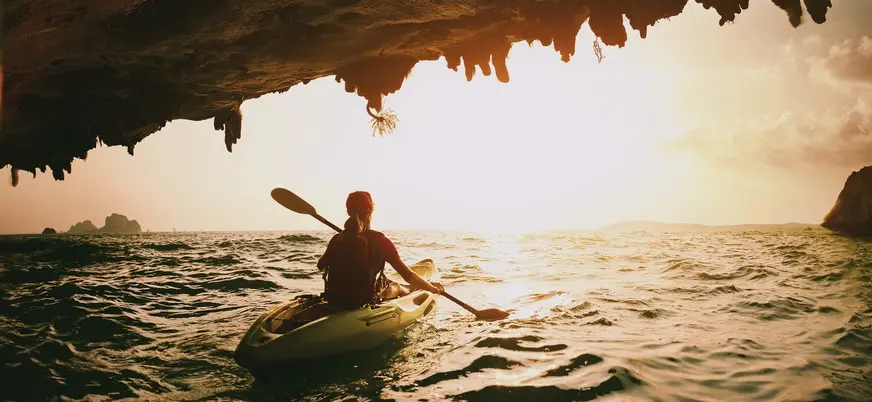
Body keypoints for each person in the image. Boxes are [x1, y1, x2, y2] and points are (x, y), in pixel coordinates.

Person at [317, 191, 443, 310]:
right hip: (362, 302)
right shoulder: (379, 239)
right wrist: (433, 289)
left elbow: (320, 266)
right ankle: (411, 290)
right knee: (396, 287)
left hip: (334, 300)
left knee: (384, 282)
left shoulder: (336, 239)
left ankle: (410, 288)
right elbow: (408, 276)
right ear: (370, 211)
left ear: (348, 211)